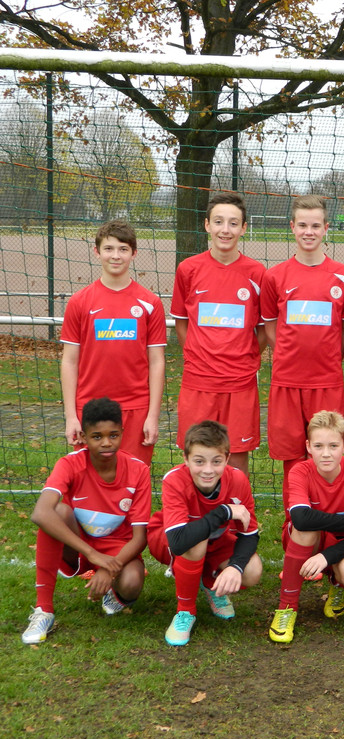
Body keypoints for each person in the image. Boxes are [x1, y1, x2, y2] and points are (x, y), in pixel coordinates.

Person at [21, 398, 151, 644]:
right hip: (78, 546)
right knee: (56, 512)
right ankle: (43, 609)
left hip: (117, 550)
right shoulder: (70, 464)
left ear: (123, 432)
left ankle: (116, 595)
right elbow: (40, 513)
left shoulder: (138, 470)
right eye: (97, 436)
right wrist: (92, 555)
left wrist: (108, 569)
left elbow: (140, 537)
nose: (106, 443)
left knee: (133, 582)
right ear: (84, 436)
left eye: (113, 435)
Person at [261, 195, 344, 503]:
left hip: (326, 381)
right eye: (302, 225)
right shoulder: (275, 276)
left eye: (315, 226)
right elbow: (269, 325)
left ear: (326, 228)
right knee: (293, 456)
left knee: (328, 454)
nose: (309, 231)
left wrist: (327, 354)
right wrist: (290, 351)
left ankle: (328, 517)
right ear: (292, 227)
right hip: (287, 381)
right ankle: (296, 521)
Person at [171, 193, 266, 474]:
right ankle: (194, 515)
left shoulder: (257, 273)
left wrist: (246, 355)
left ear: (244, 228)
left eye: (233, 223)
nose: (226, 229)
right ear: (207, 225)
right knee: (197, 455)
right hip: (199, 381)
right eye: (219, 222)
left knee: (235, 458)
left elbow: (263, 328)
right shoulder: (188, 269)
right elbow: (181, 321)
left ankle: (237, 516)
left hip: (240, 382)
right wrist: (197, 355)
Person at [147, 420, 263, 646]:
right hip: (167, 539)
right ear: (186, 459)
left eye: (216, 461)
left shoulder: (238, 479)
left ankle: (209, 583)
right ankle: (185, 611)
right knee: (195, 541)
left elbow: (250, 535)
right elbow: (178, 542)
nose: (208, 470)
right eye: (199, 461)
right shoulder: (174, 480)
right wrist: (223, 512)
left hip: (216, 542)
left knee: (252, 570)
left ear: (227, 459)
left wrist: (235, 567)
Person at [59, 220, 166, 465]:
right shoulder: (79, 302)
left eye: (123, 249)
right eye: (108, 249)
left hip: (136, 408)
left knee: (132, 482)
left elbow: (157, 362)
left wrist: (153, 416)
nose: (115, 256)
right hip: (89, 407)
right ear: (97, 252)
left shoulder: (150, 303)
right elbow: (69, 361)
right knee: (89, 484)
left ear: (133, 253)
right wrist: (71, 416)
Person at [269, 410, 344, 643]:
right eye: (318, 446)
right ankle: (286, 608)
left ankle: (337, 583)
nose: (326, 454)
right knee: (306, 528)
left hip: (342, 543)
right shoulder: (300, 471)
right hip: (308, 540)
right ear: (308, 446)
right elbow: (301, 519)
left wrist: (325, 558)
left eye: (333, 446)